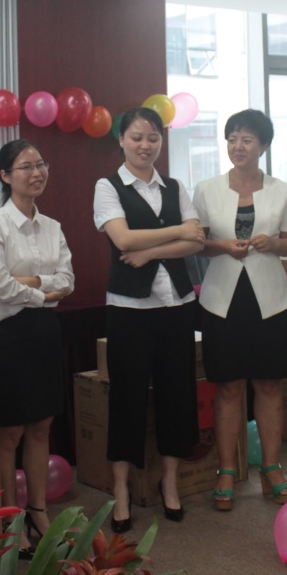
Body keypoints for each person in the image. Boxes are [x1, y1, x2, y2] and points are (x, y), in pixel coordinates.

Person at [93, 106, 205, 533]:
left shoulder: (174, 186)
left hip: (177, 304)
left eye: (153, 137)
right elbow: (122, 238)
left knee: (178, 393)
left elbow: (196, 242)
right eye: (137, 137)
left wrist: (152, 251)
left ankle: (169, 482)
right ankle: (121, 490)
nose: (145, 145)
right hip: (129, 309)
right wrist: (176, 231)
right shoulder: (107, 186)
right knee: (128, 397)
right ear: (121, 140)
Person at [192, 109, 287, 512]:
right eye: (233, 138)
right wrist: (222, 246)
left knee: (269, 385)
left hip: (270, 299)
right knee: (228, 387)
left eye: (247, 139)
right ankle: (225, 471)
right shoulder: (206, 189)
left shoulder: (283, 190)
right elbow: (197, 244)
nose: (238, 146)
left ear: (263, 146)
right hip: (222, 299)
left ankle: (271, 467)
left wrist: (275, 244)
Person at [0, 139, 73, 557]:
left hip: (46, 332)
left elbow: (68, 281)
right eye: (26, 166)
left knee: (41, 426)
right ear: (5, 175)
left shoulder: (53, 227)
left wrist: (31, 285)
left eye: (40, 164)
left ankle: (38, 510)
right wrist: (43, 290)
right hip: (11, 336)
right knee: (10, 431)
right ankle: (10, 520)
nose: (37, 172)